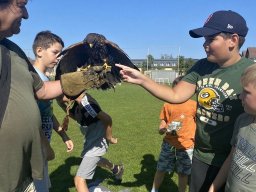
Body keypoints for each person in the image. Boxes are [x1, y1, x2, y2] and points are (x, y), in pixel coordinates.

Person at [116, 10, 254, 192]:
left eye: (211, 39)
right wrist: (142, 79)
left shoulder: (250, 73)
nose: (204, 45)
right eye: (204, 40)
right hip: (201, 156)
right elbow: (176, 95)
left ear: (233, 40)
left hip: (234, 159)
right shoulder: (202, 66)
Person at [0, 1, 82, 191]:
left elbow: (43, 91)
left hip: (23, 170)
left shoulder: (14, 50)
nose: (27, 14)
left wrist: (85, 77)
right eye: (21, 4)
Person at [32, 30, 74, 192]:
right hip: (36, 142)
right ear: (39, 51)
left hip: (43, 141)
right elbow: (32, 118)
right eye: (55, 52)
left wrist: (63, 135)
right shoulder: (34, 78)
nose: (58, 57)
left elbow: (47, 113)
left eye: (60, 53)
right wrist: (45, 146)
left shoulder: (45, 79)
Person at [57, 92, 123, 192]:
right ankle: (117, 169)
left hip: (97, 137)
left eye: (59, 94)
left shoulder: (85, 102)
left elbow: (107, 118)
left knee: (79, 180)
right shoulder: (76, 102)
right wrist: (61, 104)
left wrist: (109, 138)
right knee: (93, 160)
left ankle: (117, 169)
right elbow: (76, 116)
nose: (56, 97)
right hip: (91, 136)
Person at [208, 64, 256, 192]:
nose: (240, 96)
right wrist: (213, 187)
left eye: (246, 92)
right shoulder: (242, 120)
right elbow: (232, 157)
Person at [151, 76, 197, 192]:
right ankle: (154, 190)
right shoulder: (167, 104)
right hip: (169, 144)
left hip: (186, 144)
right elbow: (163, 123)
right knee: (161, 169)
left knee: (183, 173)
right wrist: (162, 129)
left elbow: (199, 124)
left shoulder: (194, 105)